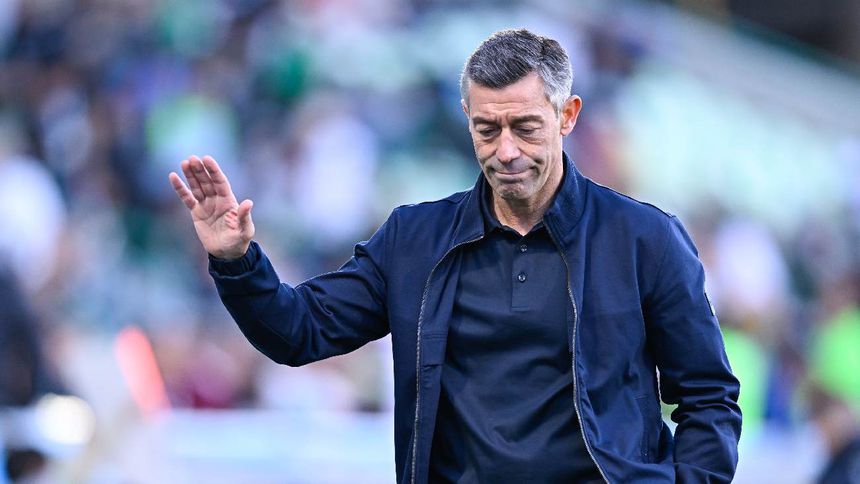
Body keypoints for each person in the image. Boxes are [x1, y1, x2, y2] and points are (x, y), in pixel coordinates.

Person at [169, 29, 741, 483]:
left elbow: (709, 398)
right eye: (487, 129)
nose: (506, 150)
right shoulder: (414, 238)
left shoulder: (645, 238)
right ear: (466, 118)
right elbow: (300, 332)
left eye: (525, 127)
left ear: (567, 116)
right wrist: (237, 261)